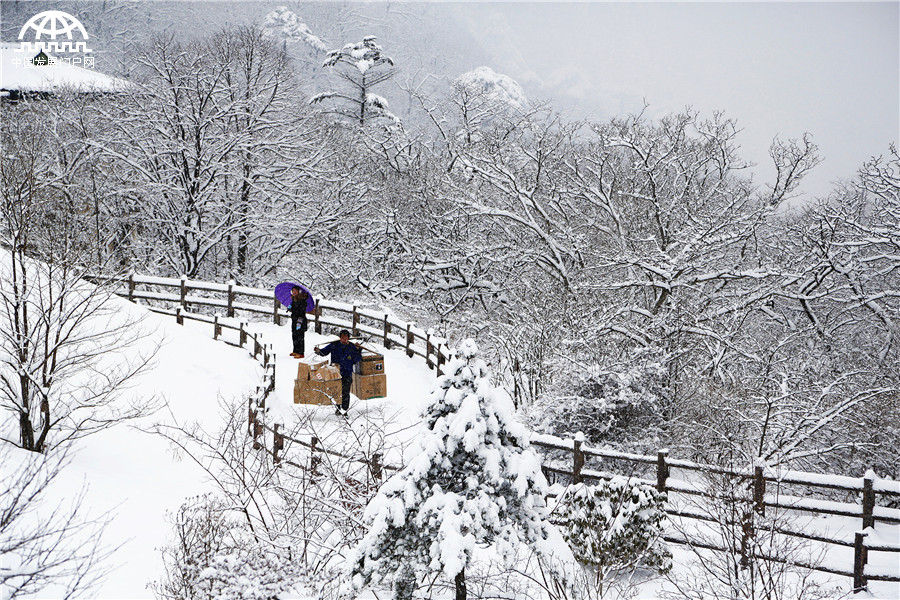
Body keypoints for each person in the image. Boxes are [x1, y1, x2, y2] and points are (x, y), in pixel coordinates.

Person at [315, 330, 361, 415]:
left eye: (346, 338)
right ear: (340, 338)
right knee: (336, 391)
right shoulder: (334, 345)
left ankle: (344, 410)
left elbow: (357, 359)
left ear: (348, 338)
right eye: (342, 338)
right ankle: (338, 408)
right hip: (334, 373)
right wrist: (318, 351)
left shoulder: (352, 347)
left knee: (345, 392)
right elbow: (324, 352)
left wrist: (358, 350)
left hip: (347, 373)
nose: (344, 339)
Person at [289, 286, 309, 358]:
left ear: (299, 291)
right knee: (294, 335)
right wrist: (290, 308)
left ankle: (301, 352)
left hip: (300, 320)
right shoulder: (294, 300)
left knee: (300, 337)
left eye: (295, 291)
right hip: (294, 320)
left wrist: (299, 322)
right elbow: (294, 310)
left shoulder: (302, 300)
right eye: (292, 291)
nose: (293, 292)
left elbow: (301, 312)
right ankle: (295, 350)